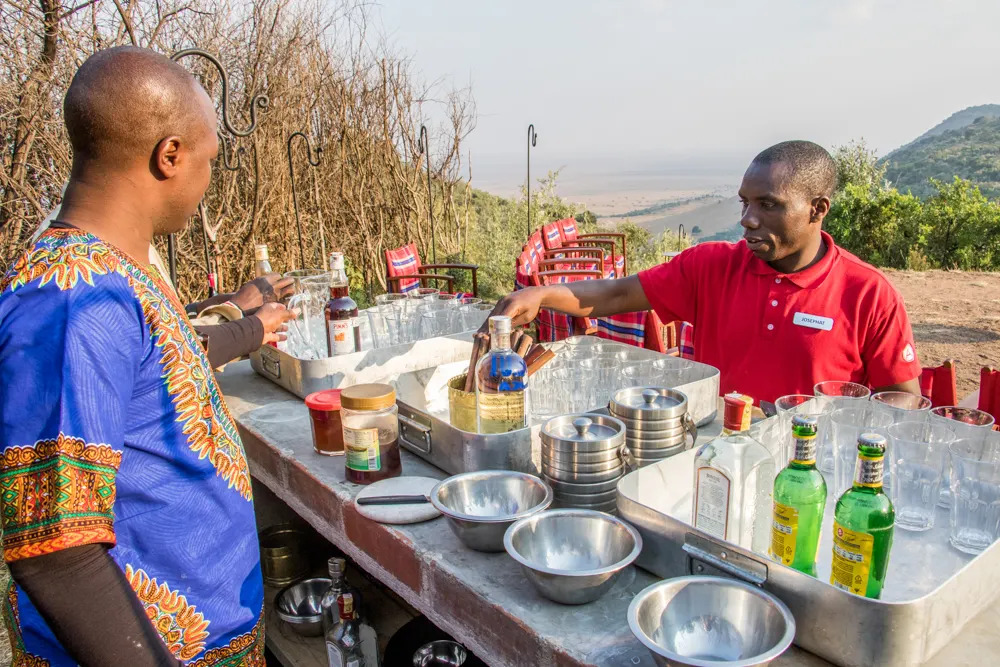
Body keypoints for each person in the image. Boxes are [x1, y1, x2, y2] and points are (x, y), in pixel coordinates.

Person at [0, 47, 266, 665]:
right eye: (209, 160)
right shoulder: (70, 296)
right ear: (169, 155)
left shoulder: (120, 275)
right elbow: (55, 547)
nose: (207, 180)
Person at [494, 141, 922, 403]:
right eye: (745, 203)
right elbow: (619, 295)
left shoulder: (868, 293)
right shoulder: (713, 266)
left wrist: (829, 425)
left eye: (768, 204)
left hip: (807, 481)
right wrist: (540, 295)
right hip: (716, 458)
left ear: (817, 209)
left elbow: (903, 400)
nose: (748, 219)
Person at [33, 193, 297, 369]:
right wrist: (241, 316)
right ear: (169, 157)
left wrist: (211, 306)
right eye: (205, 160)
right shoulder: (82, 266)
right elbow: (162, 355)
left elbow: (148, 327)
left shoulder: (105, 241)